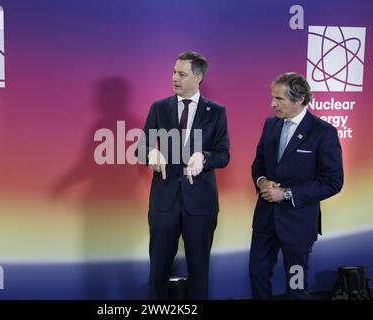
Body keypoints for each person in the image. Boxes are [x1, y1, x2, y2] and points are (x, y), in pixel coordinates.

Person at [137, 51, 230, 299]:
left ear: (198, 77)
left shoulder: (216, 111)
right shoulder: (159, 107)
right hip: (164, 201)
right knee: (158, 271)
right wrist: (151, 155)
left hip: (200, 204)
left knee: (199, 272)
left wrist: (204, 158)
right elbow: (141, 146)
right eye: (173, 72)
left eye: (182, 74)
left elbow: (224, 154)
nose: (174, 78)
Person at [249, 72, 344, 299]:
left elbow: (333, 182)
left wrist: (287, 193)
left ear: (299, 99)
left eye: (279, 99)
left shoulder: (323, 132)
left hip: (298, 225)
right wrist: (262, 181)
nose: (272, 104)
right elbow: (258, 165)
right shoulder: (270, 125)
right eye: (273, 97)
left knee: (296, 284)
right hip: (265, 222)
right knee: (257, 275)